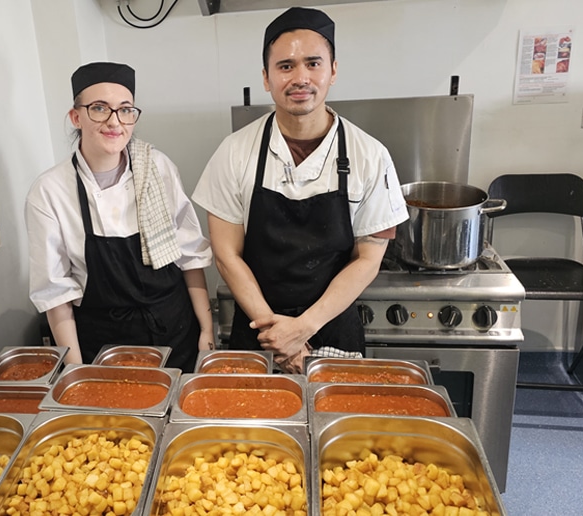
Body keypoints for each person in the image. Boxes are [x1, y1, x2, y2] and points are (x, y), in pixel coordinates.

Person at [192, 7, 408, 372]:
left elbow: (369, 260)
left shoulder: (370, 156)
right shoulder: (234, 152)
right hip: (258, 329)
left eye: (313, 63)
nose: (300, 78)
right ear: (266, 77)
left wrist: (302, 329)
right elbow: (226, 256)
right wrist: (276, 334)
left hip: (332, 327)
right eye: (286, 66)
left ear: (333, 71)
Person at [26, 62, 214, 372]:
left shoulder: (158, 167)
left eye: (125, 110)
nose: (115, 122)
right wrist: (78, 372)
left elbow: (190, 255)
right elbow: (56, 296)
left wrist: (207, 330)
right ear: (76, 117)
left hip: (175, 332)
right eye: (99, 108)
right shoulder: (49, 191)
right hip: (105, 349)